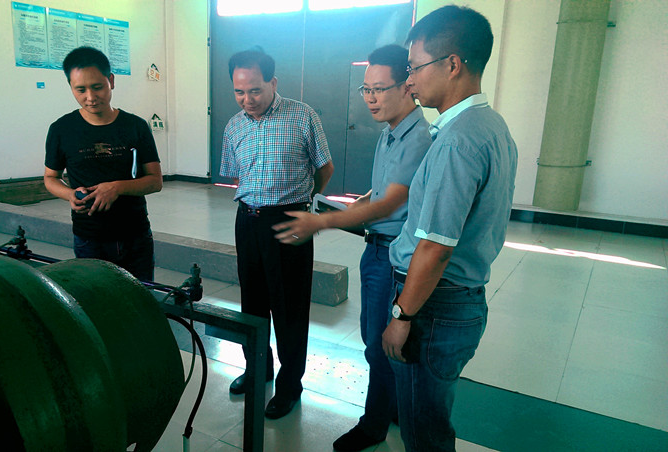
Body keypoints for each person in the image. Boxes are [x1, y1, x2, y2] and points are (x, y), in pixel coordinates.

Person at [272, 45, 430, 450]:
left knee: (380, 345)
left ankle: (374, 424)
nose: (371, 98)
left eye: (380, 89)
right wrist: (354, 205)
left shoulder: (417, 138)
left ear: (407, 85)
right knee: (376, 339)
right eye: (366, 89)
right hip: (377, 249)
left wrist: (322, 221)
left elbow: (391, 203)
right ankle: (392, 406)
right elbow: (380, 193)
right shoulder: (391, 133)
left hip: (393, 254)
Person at [381, 6, 518, 452]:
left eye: (414, 67)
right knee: (431, 418)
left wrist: (402, 317)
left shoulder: (457, 142)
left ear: (453, 64)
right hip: (459, 299)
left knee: (424, 432)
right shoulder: (491, 126)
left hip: (433, 308)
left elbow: (435, 248)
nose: (409, 81)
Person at [220, 47, 334, 420]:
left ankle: (289, 385)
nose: (247, 99)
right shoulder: (234, 126)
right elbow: (236, 175)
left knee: (289, 308)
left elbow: (325, 169)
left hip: (289, 222)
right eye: (239, 91)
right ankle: (258, 368)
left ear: (273, 82)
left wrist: (303, 203)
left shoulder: (303, 116)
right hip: (248, 221)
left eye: (255, 90)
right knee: (252, 302)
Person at [44, 46, 162, 282]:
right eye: (80, 90)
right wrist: (69, 194)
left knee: (140, 295)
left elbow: (155, 181)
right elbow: (50, 178)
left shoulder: (135, 127)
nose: (90, 97)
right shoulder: (61, 130)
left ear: (111, 81)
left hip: (134, 234)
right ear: (70, 87)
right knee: (96, 296)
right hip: (89, 237)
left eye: (97, 87)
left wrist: (116, 187)